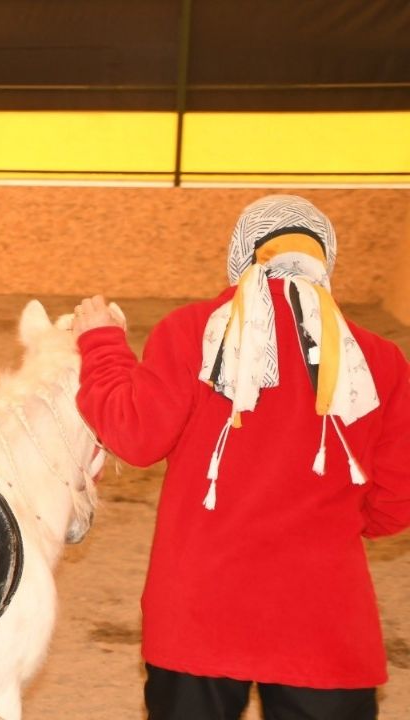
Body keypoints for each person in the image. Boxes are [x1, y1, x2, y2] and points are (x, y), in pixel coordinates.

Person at [71, 195, 410, 720]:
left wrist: (102, 346)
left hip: (197, 609)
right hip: (325, 617)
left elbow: (134, 437)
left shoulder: (189, 330)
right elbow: (394, 503)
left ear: (241, 255)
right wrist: (323, 525)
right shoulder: (382, 360)